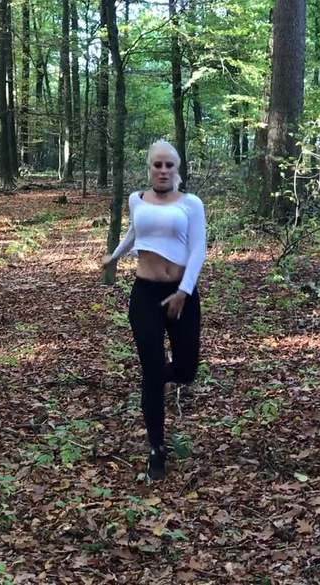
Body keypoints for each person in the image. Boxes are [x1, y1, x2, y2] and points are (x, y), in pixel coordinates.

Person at [101, 139, 207, 481]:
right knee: (151, 370)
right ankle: (156, 449)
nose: (162, 170)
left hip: (182, 295)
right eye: (157, 165)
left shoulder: (191, 204)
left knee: (186, 370)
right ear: (148, 168)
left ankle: (154, 380)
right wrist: (115, 256)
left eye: (168, 165)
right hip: (145, 295)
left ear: (177, 169)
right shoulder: (137, 200)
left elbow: (199, 250)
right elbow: (135, 232)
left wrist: (183, 291)